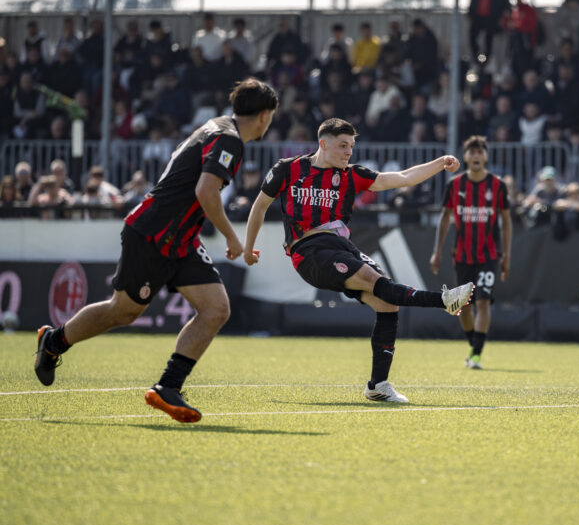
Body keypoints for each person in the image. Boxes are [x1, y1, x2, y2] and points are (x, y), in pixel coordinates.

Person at [33, 78, 280, 423]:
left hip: (180, 240)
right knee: (123, 311)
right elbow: (206, 192)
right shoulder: (229, 139)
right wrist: (232, 238)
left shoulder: (218, 127)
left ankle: (168, 386)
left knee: (216, 308)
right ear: (266, 116)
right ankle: (55, 341)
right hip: (153, 234)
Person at [243, 118, 475, 404]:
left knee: (386, 303)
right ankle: (444, 301)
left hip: (342, 248)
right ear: (323, 144)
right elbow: (260, 206)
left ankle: (378, 385)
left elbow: (401, 178)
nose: (348, 152)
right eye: (342, 146)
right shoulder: (288, 169)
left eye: (351, 146)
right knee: (373, 281)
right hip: (309, 250)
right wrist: (248, 248)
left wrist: (439, 162)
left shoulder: (353, 175)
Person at [430, 136, 513, 369]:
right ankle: (473, 346)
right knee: (463, 306)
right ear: (465, 157)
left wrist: (507, 255)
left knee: (483, 302)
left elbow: (506, 222)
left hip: (489, 255)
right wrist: (437, 251)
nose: (476, 156)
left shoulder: (498, 186)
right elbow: (445, 218)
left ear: (486, 156)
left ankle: (476, 355)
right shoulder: (454, 186)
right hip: (462, 255)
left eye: (480, 152)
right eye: (471, 152)